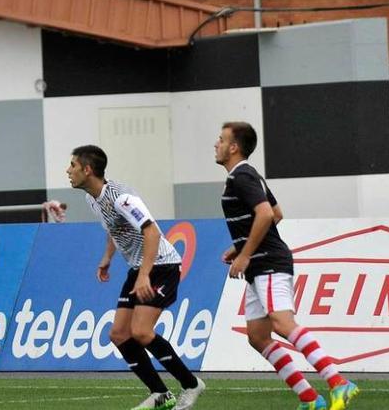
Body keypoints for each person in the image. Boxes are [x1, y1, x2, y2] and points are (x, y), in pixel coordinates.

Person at [214, 121, 359, 410]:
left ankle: (338, 382)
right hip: (260, 264)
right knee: (257, 336)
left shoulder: (241, 176)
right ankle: (310, 399)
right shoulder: (246, 175)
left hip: (267, 262)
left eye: (220, 140)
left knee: (282, 323)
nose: (215, 145)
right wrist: (240, 246)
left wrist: (244, 254)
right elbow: (277, 213)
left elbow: (266, 214)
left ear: (234, 147)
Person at [68, 145, 204, 410]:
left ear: (87, 170)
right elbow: (113, 228)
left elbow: (151, 231)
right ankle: (160, 394)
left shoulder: (121, 197)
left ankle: (191, 384)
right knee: (119, 334)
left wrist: (143, 276)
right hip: (139, 268)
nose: (68, 170)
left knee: (141, 332)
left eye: (72, 165)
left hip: (162, 265)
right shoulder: (91, 198)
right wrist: (107, 257)